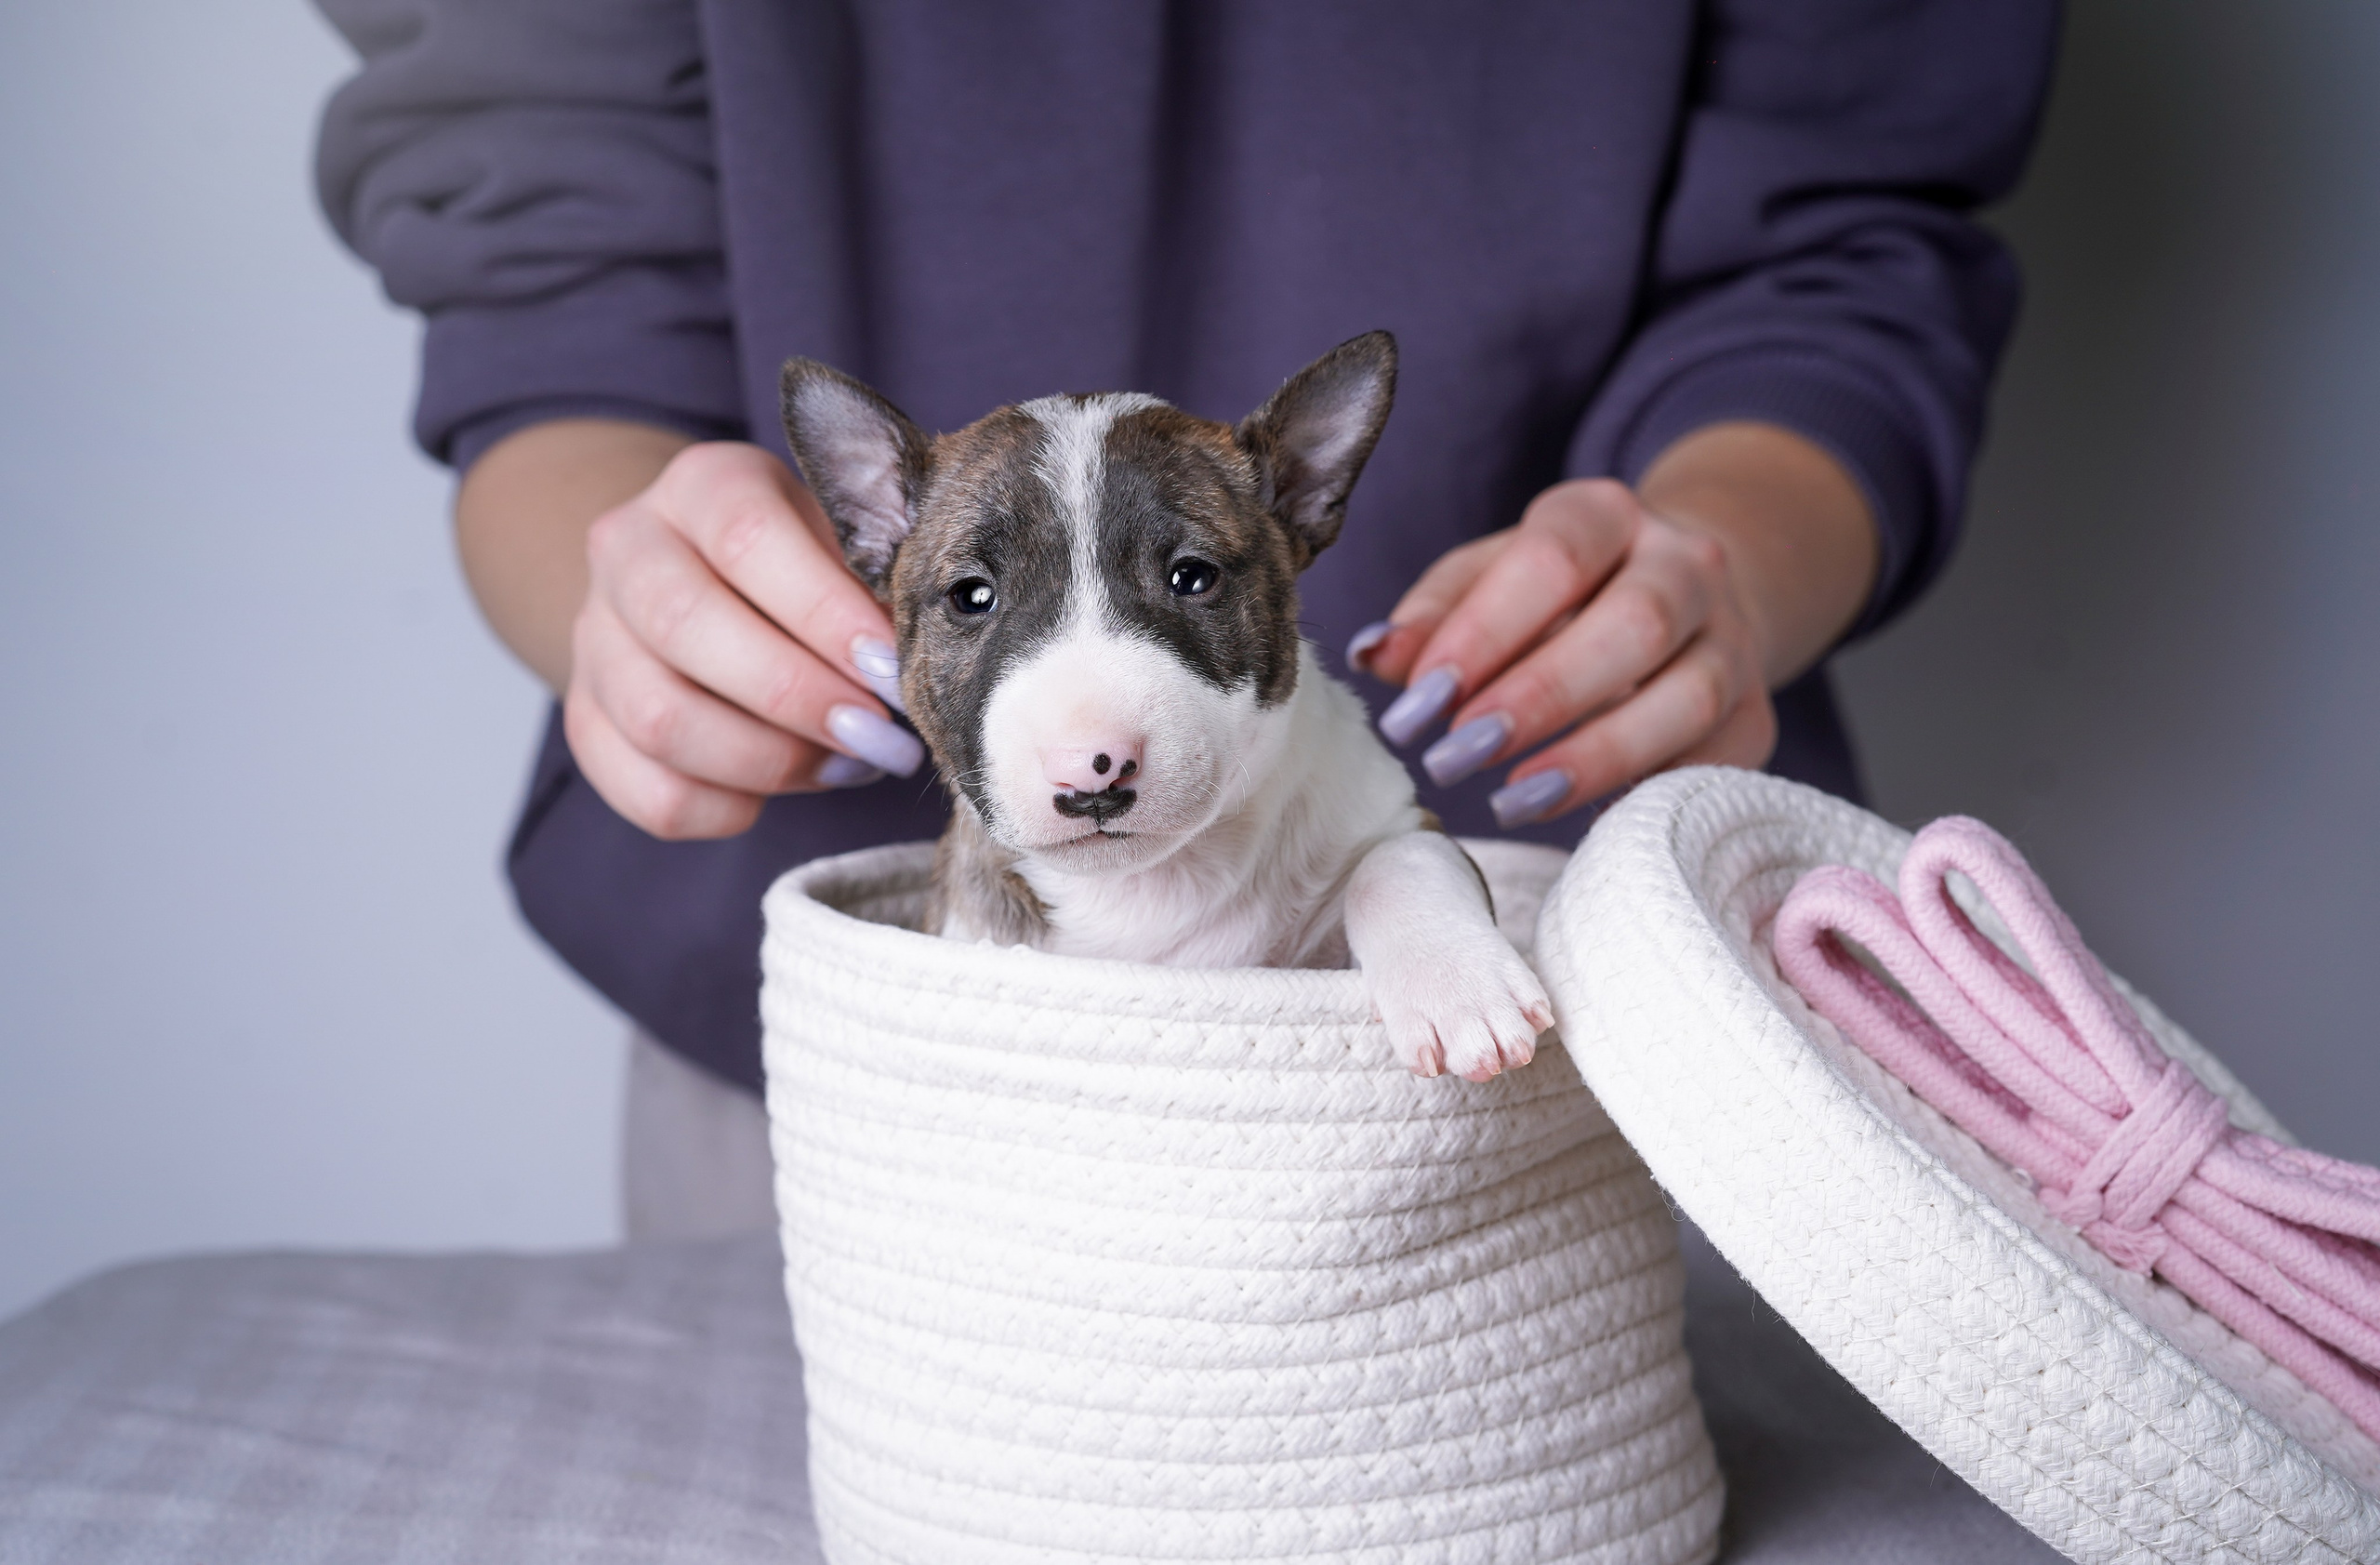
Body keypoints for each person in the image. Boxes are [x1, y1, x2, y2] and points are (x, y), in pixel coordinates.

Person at [315, 0, 2059, 1235]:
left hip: (1597, 1060)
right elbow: (542, 237)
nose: (1092, 728)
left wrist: (1730, 552)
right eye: (972, 597)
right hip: (797, 1069)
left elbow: (1843, 230)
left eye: (1195, 580)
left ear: (1304, 512)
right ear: (874, 532)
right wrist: (629, 587)